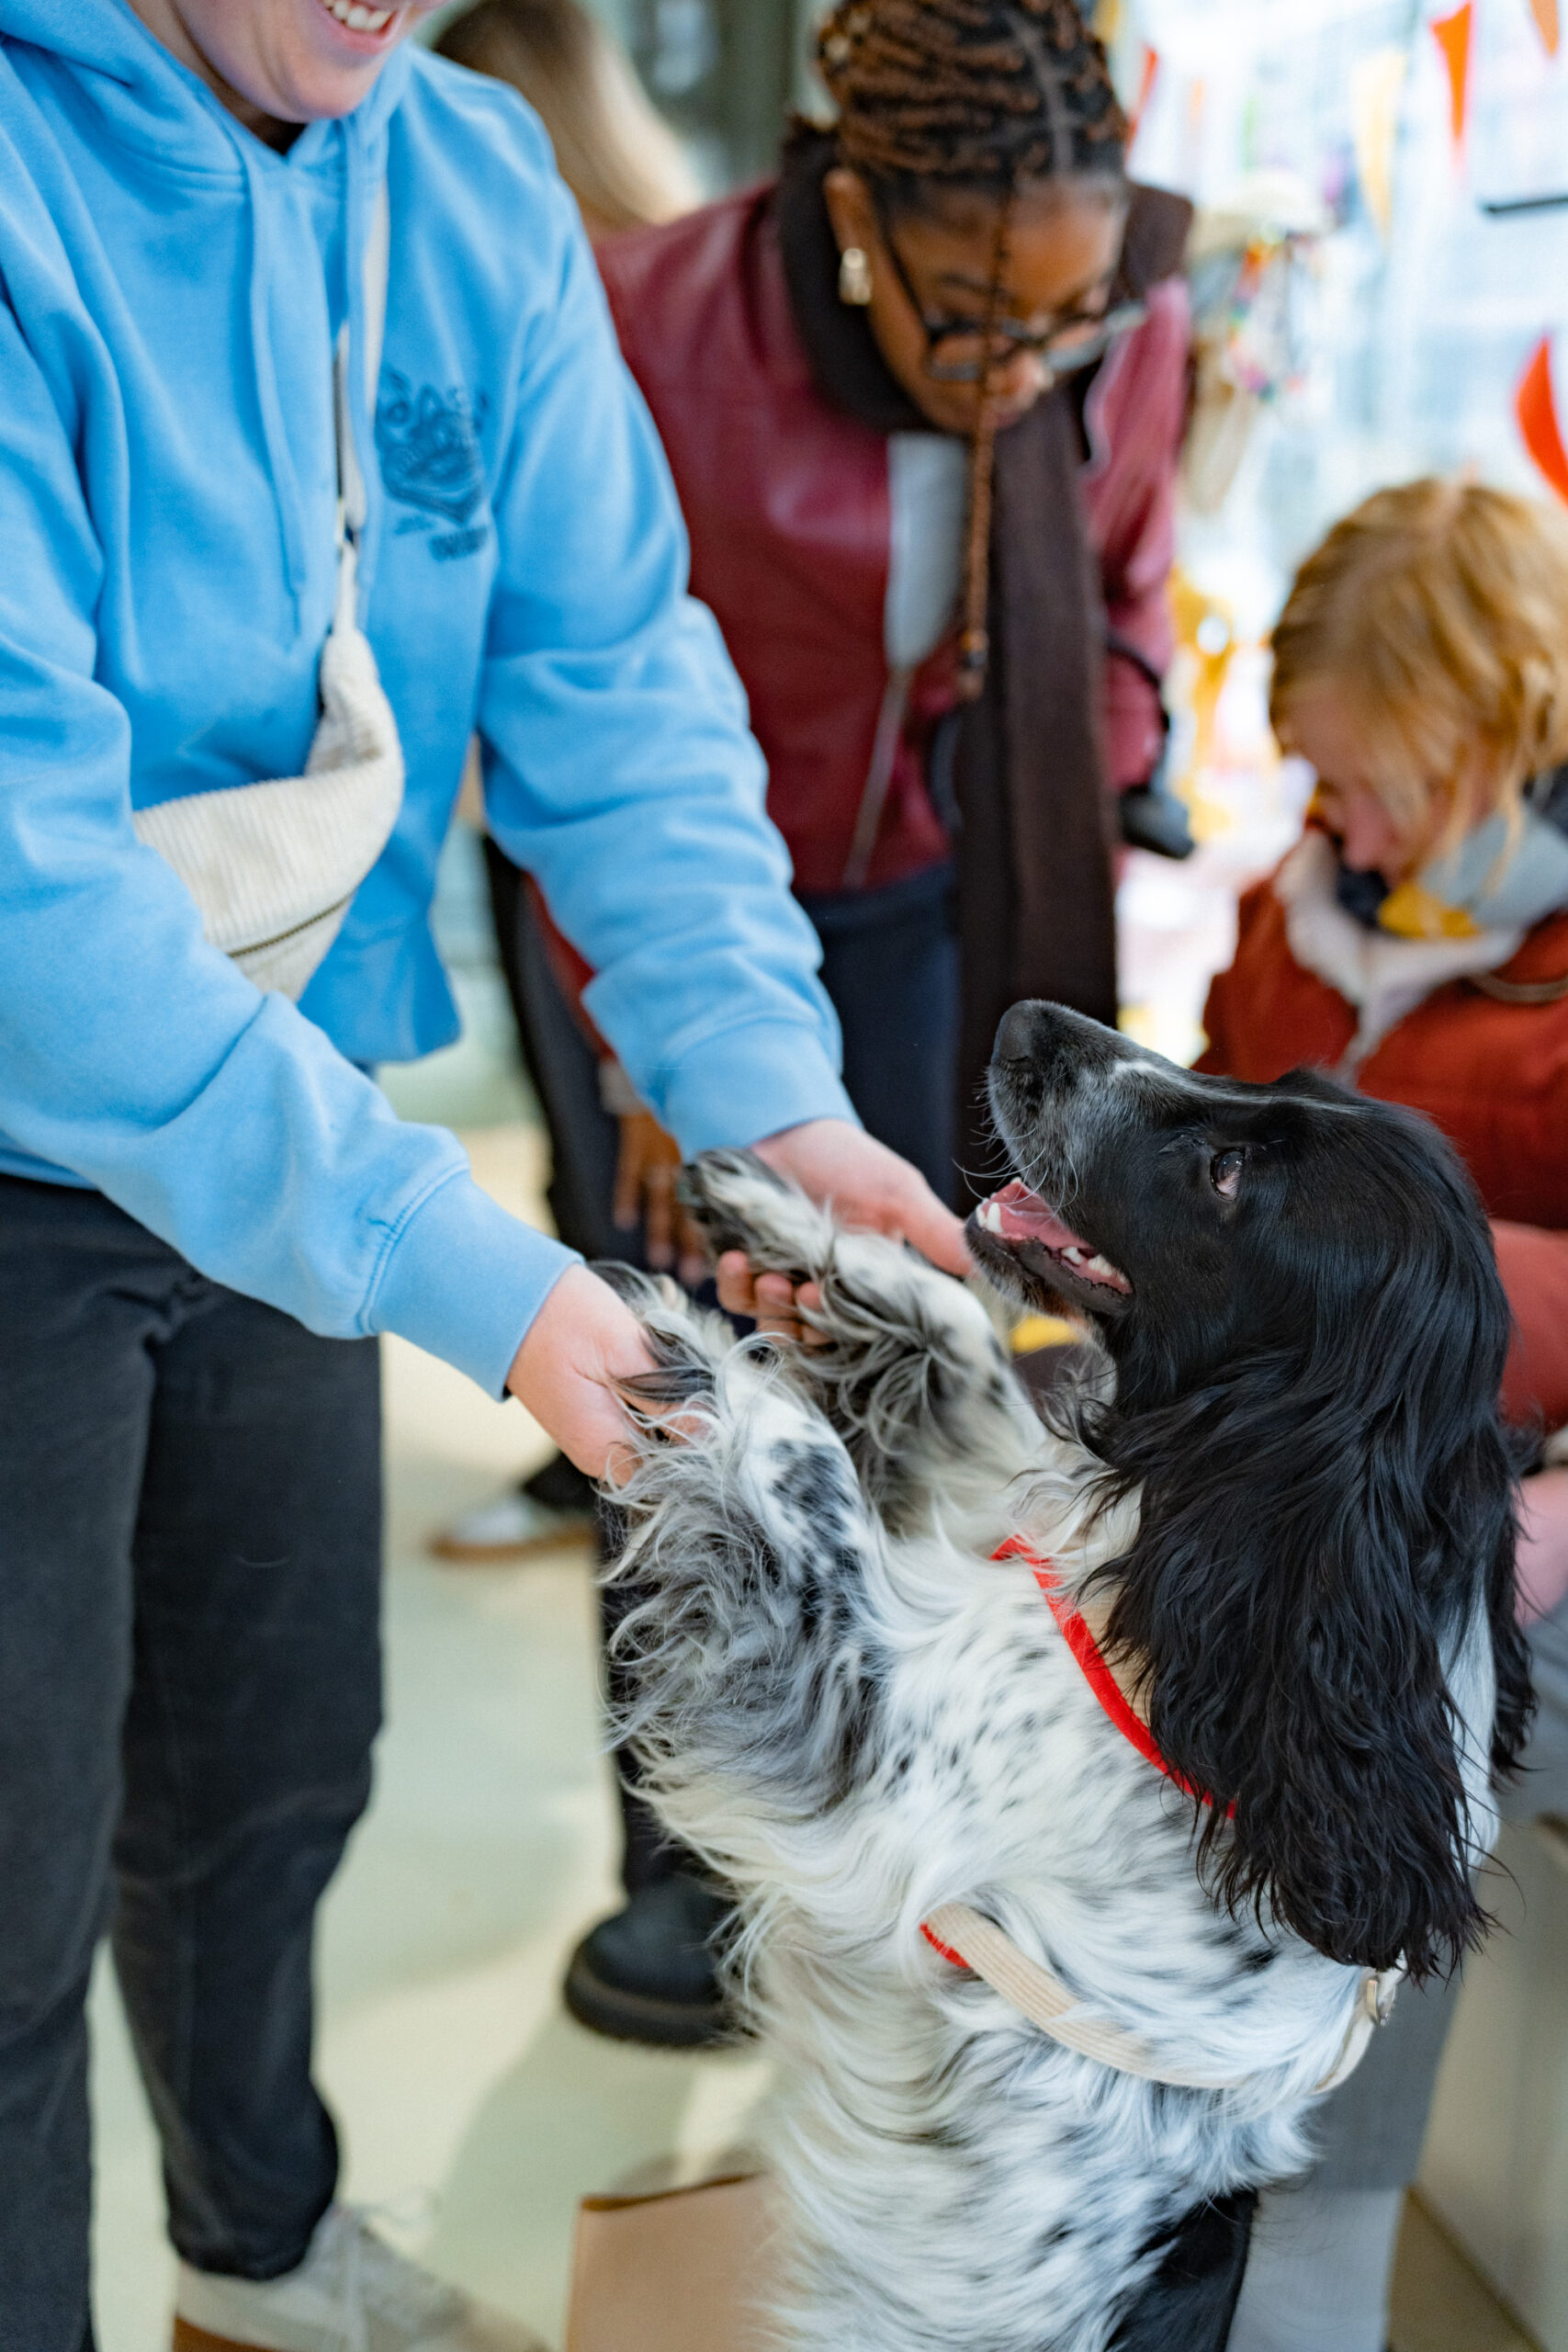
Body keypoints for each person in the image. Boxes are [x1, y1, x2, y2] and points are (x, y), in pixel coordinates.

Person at [0, 4, 969, 2347]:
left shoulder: (466, 185)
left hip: (294, 1106)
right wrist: (486, 1279)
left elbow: (610, 678)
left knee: (270, 1761)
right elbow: (30, 889)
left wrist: (768, 1103)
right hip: (34, 1133)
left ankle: (253, 2250)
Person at [443, 0, 1195, 2044]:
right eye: (973, 318)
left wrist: (1103, 755)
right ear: (856, 215)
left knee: (934, 1362)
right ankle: (683, 1868)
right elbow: (580, 716)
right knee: (685, 1371)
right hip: (663, 924)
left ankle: (895, 1831)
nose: (1020, 367)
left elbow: (1129, 591)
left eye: (1060, 325)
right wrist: (637, 1034)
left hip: (950, 896)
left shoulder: (1128, 317)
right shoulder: (654, 328)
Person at [1193, 478, 1568, 2352]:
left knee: (1387, 1701)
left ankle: (1308, 2242)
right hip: (1313, 1469)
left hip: (1512, 1514)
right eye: (1320, 783)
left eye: (1378, 790)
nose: (1339, 826)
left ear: (1500, 730)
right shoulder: (1300, 916)